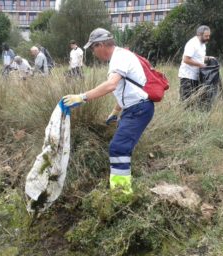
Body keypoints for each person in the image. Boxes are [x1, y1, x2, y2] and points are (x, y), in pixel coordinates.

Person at [62, 28, 154, 197]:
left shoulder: (119, 58)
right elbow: (127, 89)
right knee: (121, 146)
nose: (93, 53)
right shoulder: (120, 56)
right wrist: (115, 111)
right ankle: (122, 185)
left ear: (101, 45)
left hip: (139, 109)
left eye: (93, 48)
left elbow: (111, 85)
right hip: (134, 108)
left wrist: (81, 97)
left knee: (118, 148)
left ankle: (121, 194)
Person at [178, 25, 214, 101]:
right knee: (186, 100)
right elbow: (186, 59)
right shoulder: (192, 43)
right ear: (199, 34)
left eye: (209, 36)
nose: (208, 38)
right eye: (206, 36)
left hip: (196, 76)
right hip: (187, 76)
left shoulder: (203, 44)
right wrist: (201, 65)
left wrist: (208, 57)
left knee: (195, 100)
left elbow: (198, 57)